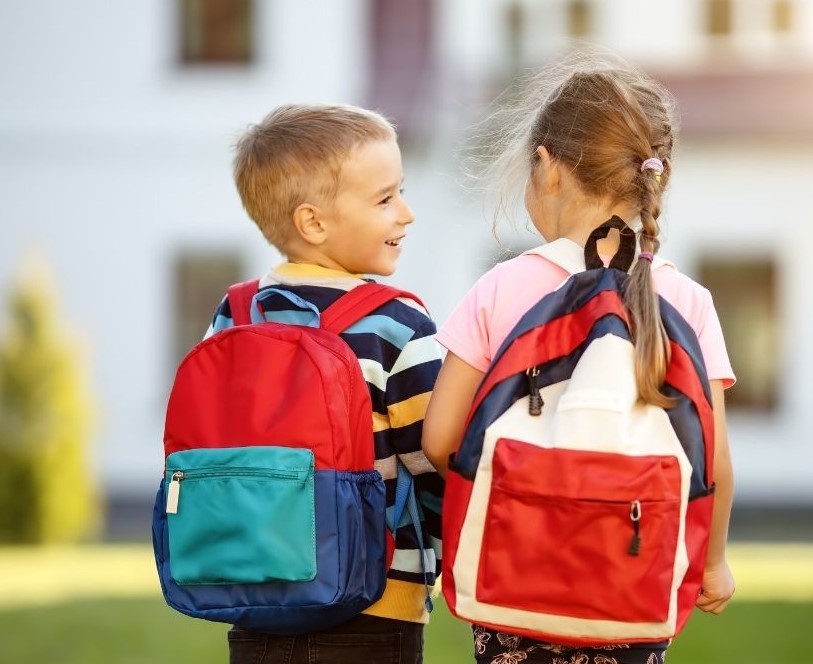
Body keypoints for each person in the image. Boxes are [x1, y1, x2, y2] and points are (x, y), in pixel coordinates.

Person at [422, 53, 737, 663]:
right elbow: (714, 459)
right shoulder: (687, 301)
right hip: (631, 587)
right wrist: (715, 563)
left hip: (516, 582)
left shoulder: (500, 287)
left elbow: (441, 438)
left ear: (547, 167)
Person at [210, 104, 443, 664]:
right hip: (377, 601)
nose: (406, 214)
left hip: (254, 589)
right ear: (313, 222)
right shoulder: (398, 327)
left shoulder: (235, 315)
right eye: (385, 199)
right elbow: (435, 457)